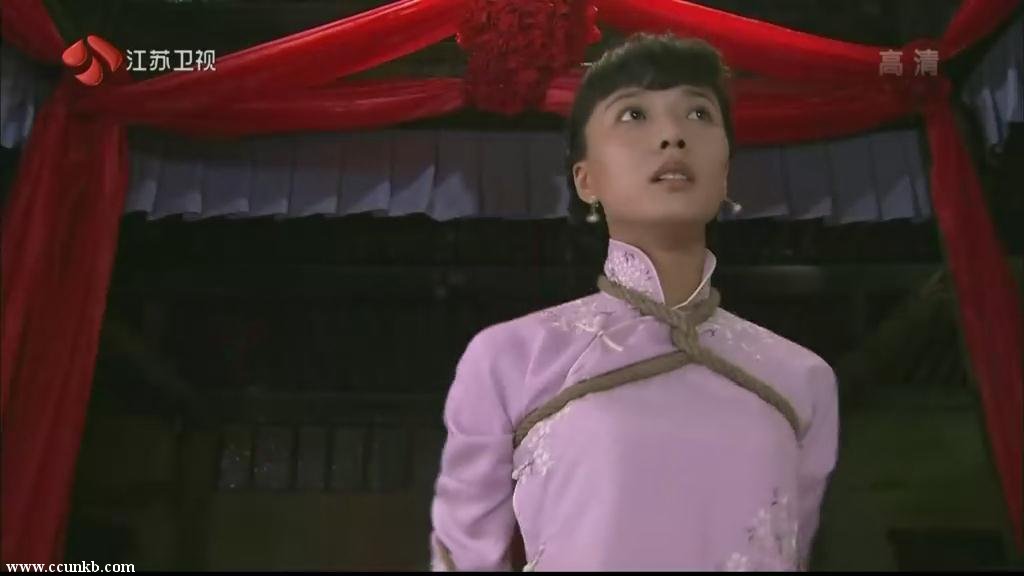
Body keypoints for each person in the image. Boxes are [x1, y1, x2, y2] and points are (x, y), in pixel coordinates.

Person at [429, 33, 839, 571]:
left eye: (698, 113)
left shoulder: (802, 378)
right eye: (634, 115)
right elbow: (464, 557)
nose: (672, 135)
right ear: (586, 180)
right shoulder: (511, 357)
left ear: (725, 174)